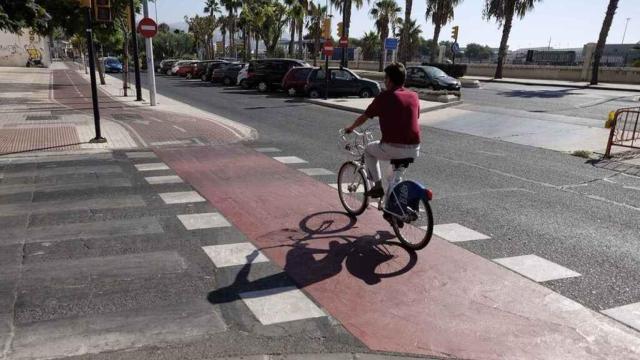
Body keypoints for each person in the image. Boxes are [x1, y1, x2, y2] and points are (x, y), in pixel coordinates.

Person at [344, 62, 421, 198]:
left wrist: (351, 127)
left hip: (393, 147)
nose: (384, 81)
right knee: (394, 175)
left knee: (368, 150)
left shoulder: (384, 96)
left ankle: (378, 187)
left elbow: (365, 116)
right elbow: (416, 116)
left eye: (385, 78)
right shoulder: (414, 96)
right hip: (415, 148)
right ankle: (394, 199)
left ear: (389, 80)